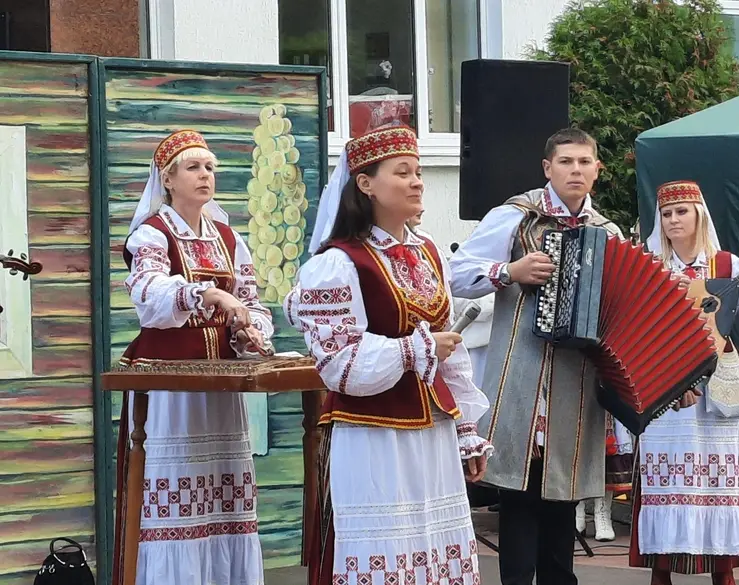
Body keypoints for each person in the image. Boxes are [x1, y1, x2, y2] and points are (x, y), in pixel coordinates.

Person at [283, 125, 493, 585]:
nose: (418, 181)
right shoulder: (338, 263)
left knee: (432, 552)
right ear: (365, 183)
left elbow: (449, 350)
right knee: (387, 550)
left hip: (432, 432)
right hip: (373, 432)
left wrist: (466, 428)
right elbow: (339, 362)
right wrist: (415, 348)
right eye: (403, 172)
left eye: (418, 171)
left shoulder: (428, 253)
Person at [448, 127, 624, 585]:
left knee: (563, 491)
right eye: (566, 162)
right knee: (520, 488)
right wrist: (509, 271)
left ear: (597, 171)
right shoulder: (514, 217)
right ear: (548, 168)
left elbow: (621, 305)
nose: (576, 170)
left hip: (577, 377)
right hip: (522, 371)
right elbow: (456, 274)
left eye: (584, 162)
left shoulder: (607, 232)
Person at [113, 129, 274, 585]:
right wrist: (205, 294)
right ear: (168, 178)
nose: (205, 175)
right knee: (175, 498)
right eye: (193, 167)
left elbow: (251, 300)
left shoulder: (227, 236)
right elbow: (147, 294)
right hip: (172, 384)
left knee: (222, 498)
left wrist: (251, 330)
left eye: (210, 168)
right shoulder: (152, 233)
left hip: (221, 386)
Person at [628, 180, 739, 585]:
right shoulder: (649, 262)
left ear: (699, 214)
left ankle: (723, 573)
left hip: (716, 381)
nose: (673, 220)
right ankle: (661, 573)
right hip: (664, 381)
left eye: (681, 211)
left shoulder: (727, 266)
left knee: (716, 476)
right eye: (666, 214)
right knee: (664, 475)